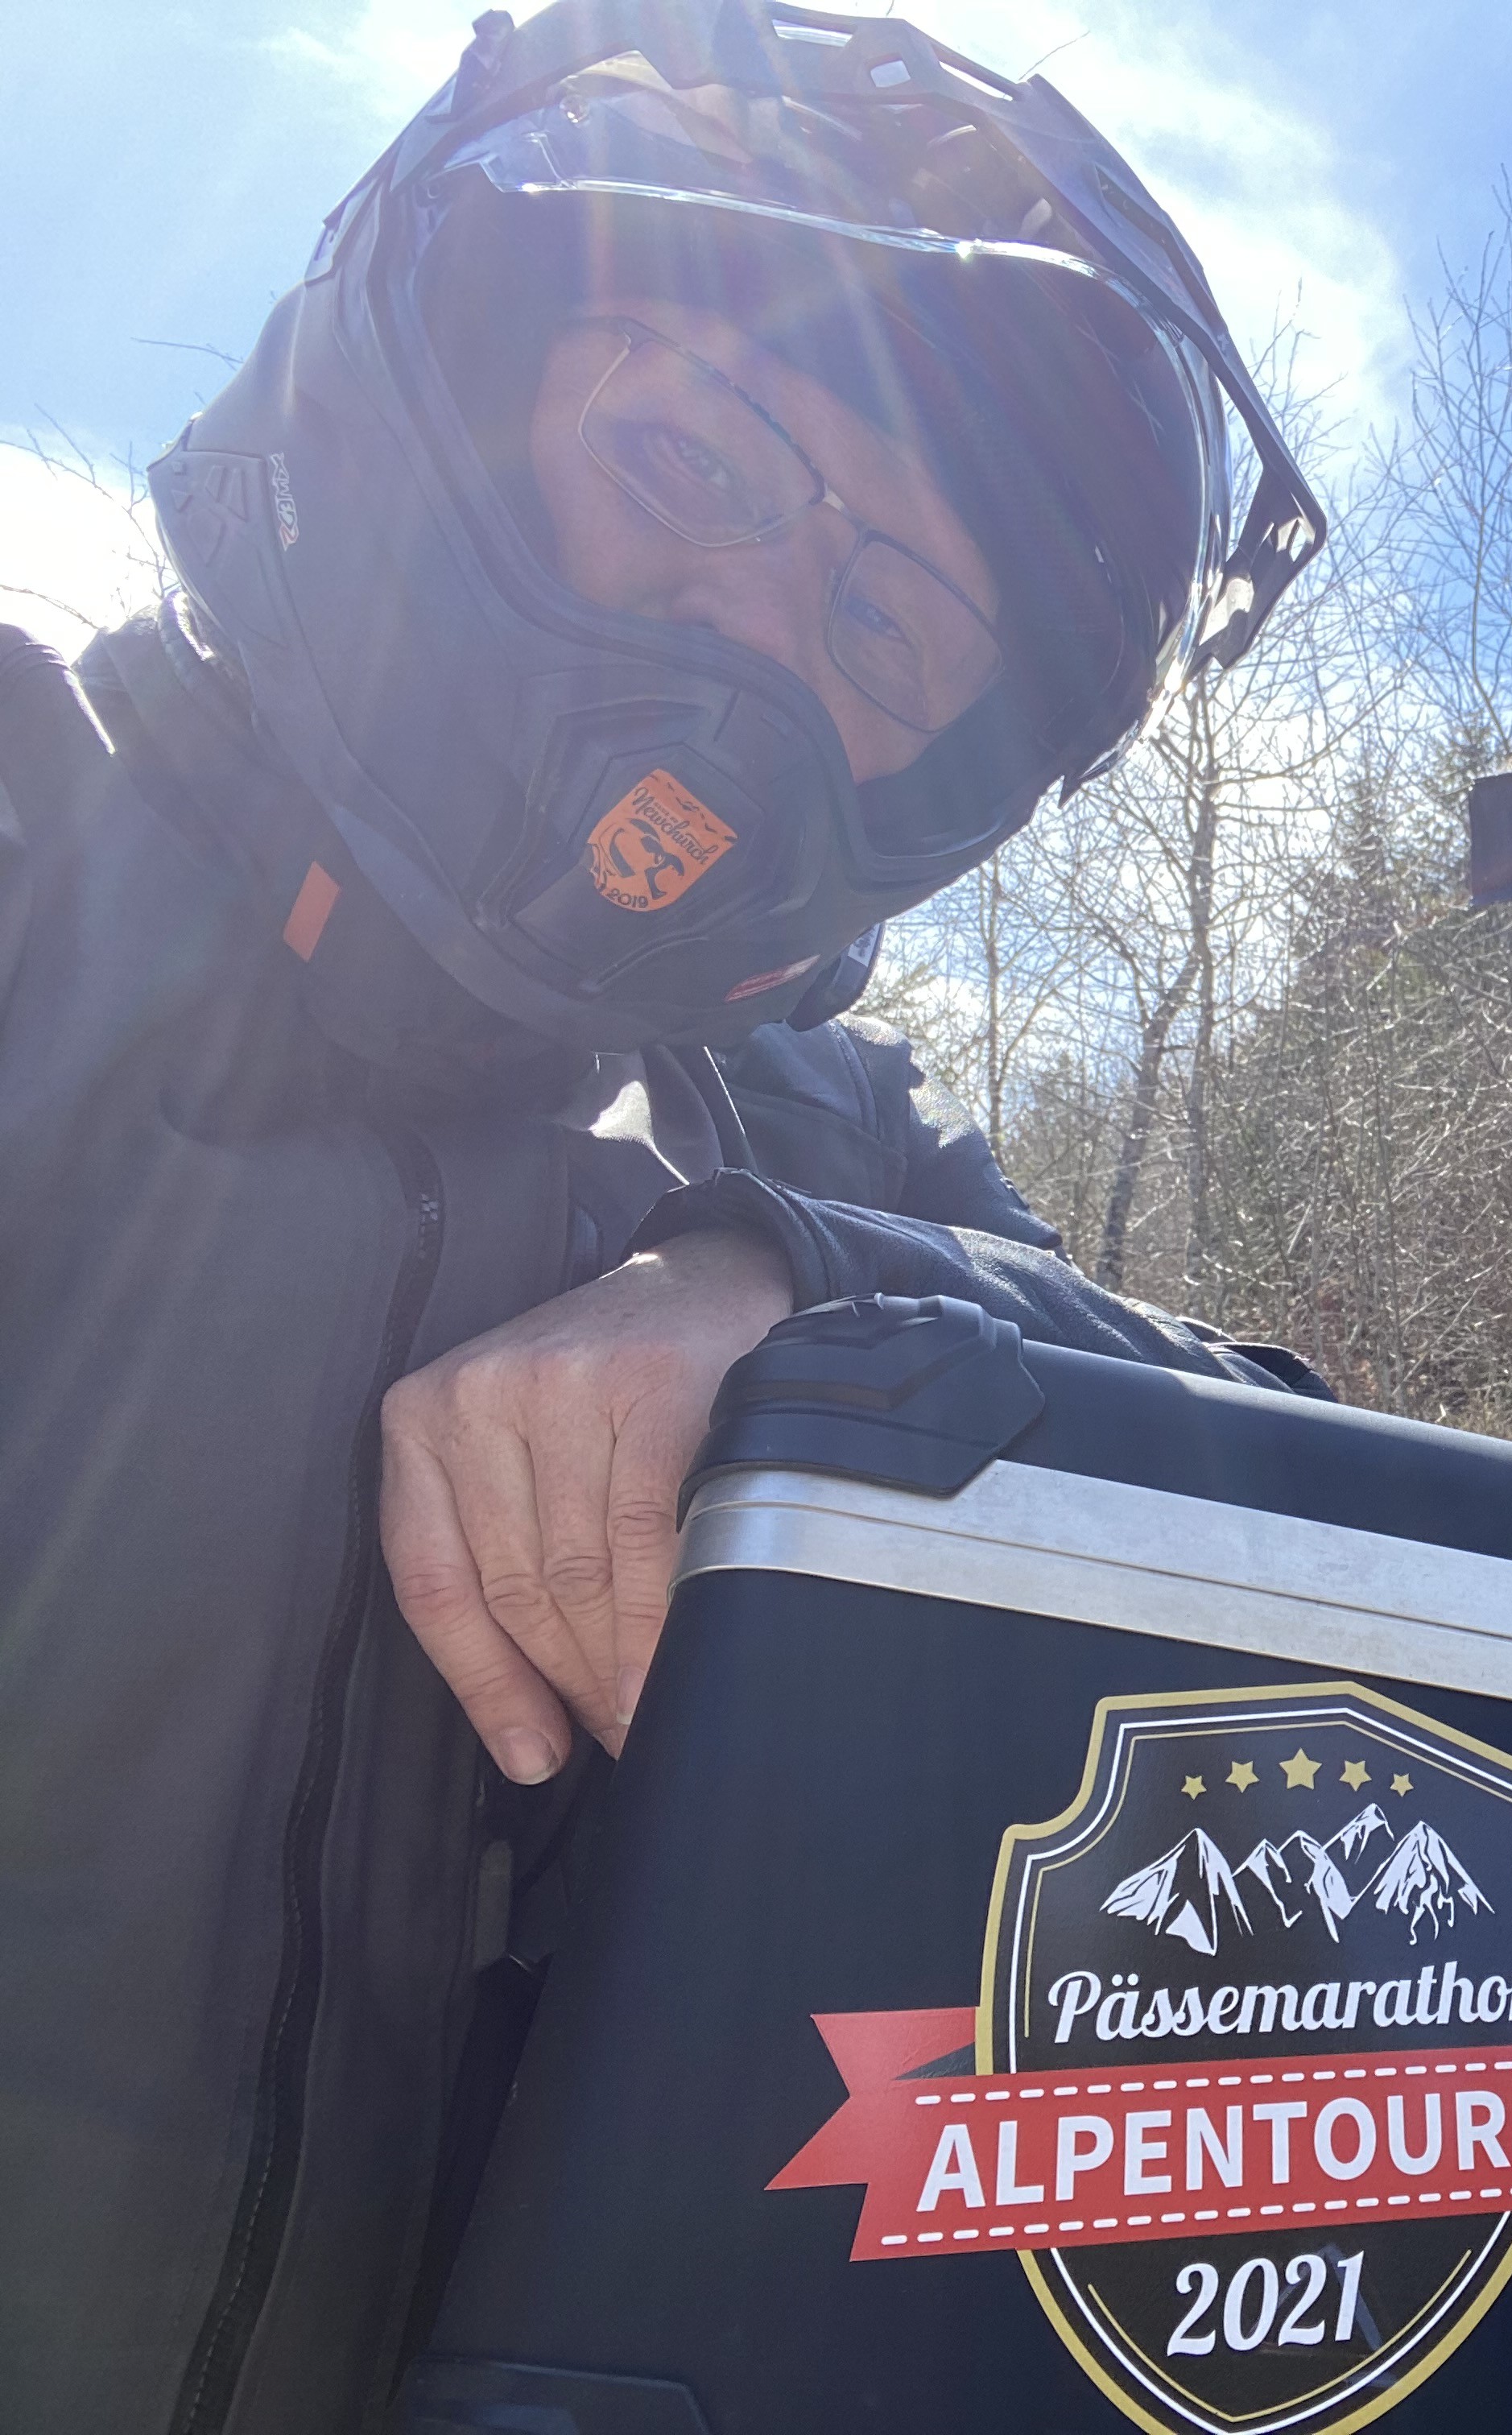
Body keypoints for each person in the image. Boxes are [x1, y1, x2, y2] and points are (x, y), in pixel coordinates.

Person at [0, 5, 1328, 2427]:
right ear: (447, 392)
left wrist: (791, 1305)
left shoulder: (812, 1136)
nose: (752, 632)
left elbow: (1287, 1505)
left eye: (888, 626)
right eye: (691, 454)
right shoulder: (28, 850)